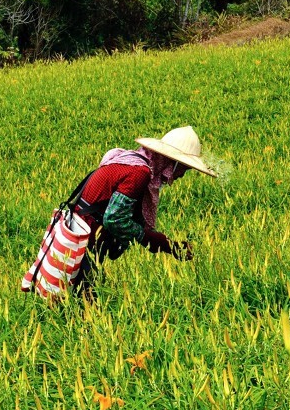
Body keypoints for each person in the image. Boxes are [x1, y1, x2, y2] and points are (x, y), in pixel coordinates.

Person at [31, 126, 217, 301]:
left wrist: (167, 245)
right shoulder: (138, 172)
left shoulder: (128, 159)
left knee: (76, 296)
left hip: (79, 231)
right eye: (185, 167)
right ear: (172, 163)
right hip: (84, 239)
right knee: (86, 306)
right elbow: (114, 218)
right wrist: (156, 241)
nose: (183, 174)